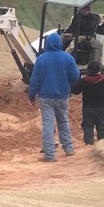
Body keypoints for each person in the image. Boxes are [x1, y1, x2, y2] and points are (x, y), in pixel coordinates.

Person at [28, 30, 80, 161]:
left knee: (48, 123)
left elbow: (35, 79)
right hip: (63, 95)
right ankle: (68, 148)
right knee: (63, 121)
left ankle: (50, 154)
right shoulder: (68, 58)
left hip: (45, 96)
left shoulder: (41, 59)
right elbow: (75, 76)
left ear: (47, 44)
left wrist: (32, 95)